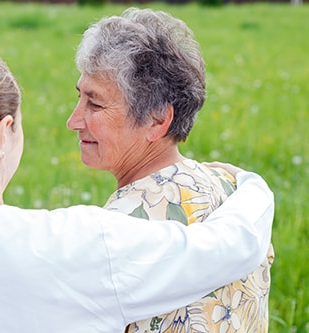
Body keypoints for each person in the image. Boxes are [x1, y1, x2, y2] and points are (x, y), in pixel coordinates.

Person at [0, 44, 273, 333]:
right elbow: (232, 246)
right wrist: (251, 185)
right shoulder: (75, 247)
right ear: (1, 134)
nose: (74, 119)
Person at [67, 8, 274, 333]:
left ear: (158, 120)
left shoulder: (118, 228)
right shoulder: (234, 190)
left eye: (95, 104)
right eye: (79, 97)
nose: (73, 121)